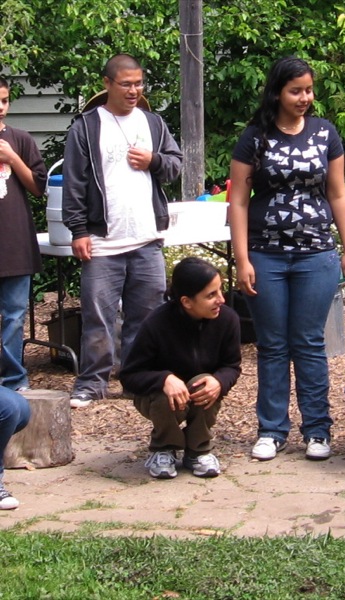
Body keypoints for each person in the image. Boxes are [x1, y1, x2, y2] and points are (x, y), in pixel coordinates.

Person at [228, 56, 345, 462]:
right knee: (272, 345)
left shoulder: (325, 133)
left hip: (316, 255)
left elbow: (337, 193)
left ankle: (317, 431)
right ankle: (271, 430)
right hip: (265, 256)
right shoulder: (255, 137)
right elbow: (237, 200)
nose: (305, 97)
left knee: (309, 343)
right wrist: (242, 258)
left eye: (308, 90)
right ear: (277, 93)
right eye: (296, 90)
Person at [62, 53, 183, 408]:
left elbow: (175, 165)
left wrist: (154, 160)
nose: (134, 90)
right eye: (126, 84)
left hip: (146, 238)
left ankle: (136, 381)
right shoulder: (86, 126)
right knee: (97, 316)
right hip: (102, 239)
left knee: (145, 317)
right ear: (107, 84)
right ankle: (91, 383)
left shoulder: (154, 123)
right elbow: (74, 183)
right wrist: (79, 230)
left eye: (138, 83)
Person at [119, 257, 241, 479]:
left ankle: (198, 450)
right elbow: (129, 376)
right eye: (211, 295)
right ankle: (163, 448)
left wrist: (219, 381)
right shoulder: (156, 323)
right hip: (157, 397)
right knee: (168, 394)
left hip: (199, 392)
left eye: (220, 291)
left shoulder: (228, 320)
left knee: (205, 382)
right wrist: (164, 379)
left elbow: (231, 366)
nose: (221, 300)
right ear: (186, 301)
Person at [0, 77, 47, 392]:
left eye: (3, 101)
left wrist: (12, 158)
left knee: (14, 316)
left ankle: (13, 378)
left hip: (14, 242)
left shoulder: (21, 140)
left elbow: (38, 187)